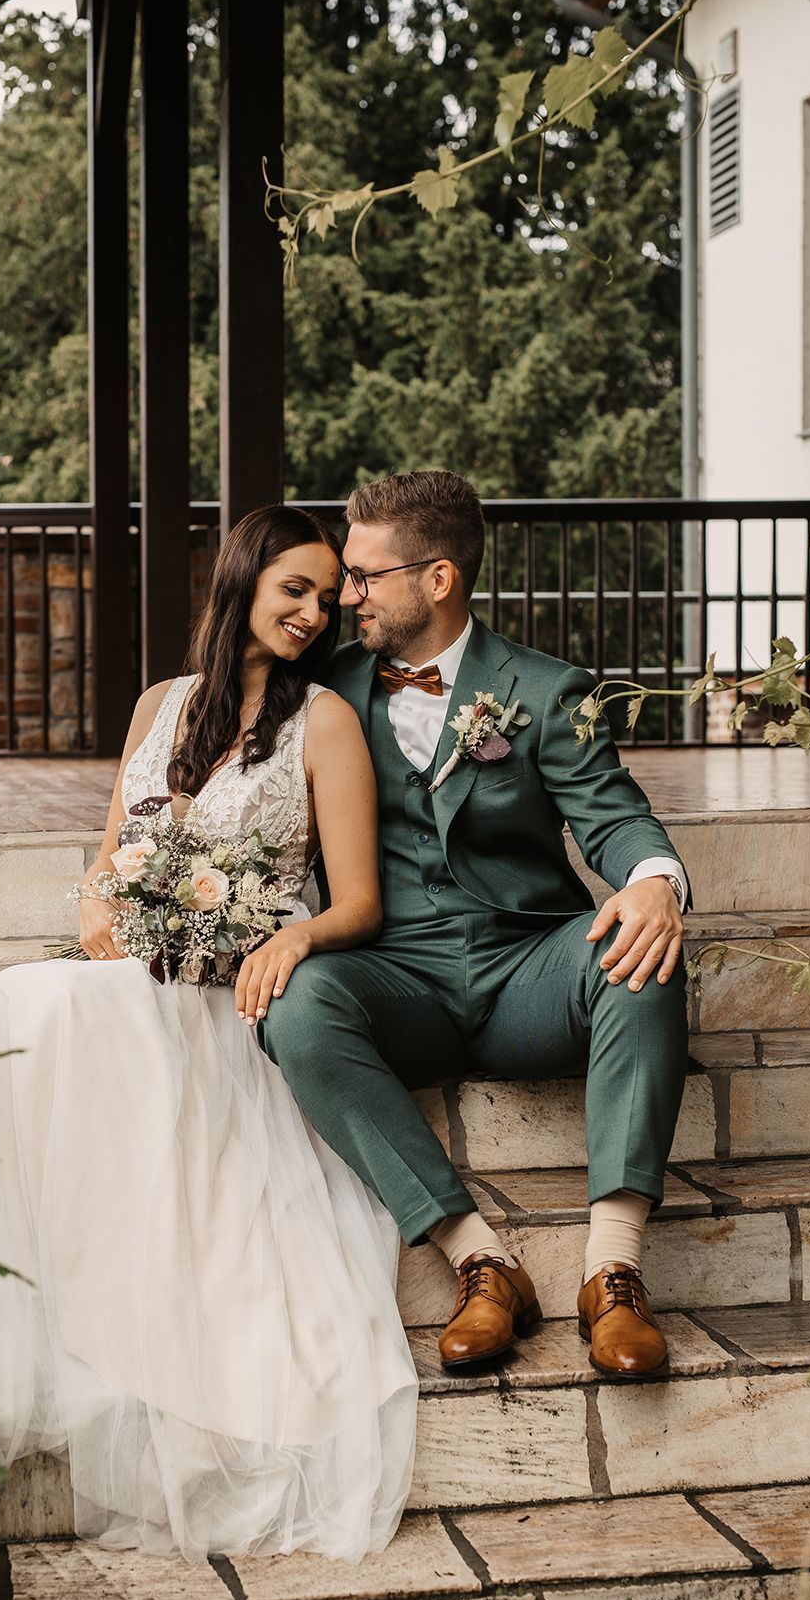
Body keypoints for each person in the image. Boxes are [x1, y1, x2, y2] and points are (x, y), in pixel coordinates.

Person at [0, 505, 418, 1564]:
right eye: (291, 588)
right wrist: (99, 911)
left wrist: (287, 939)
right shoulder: (158, 707)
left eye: (323, 594)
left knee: (34, 1007)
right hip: (133, 971)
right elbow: (111, 857)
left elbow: (358, 903)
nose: (311, 612)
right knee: (22, 999)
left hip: (226, 993)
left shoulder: (326, 724)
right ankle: (72, 1290)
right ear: (242, 581)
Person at [259, 470, 691, 1381]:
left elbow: (610, 818)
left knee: (642, 951)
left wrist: (653, 879)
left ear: (439, 578)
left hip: (527, 969)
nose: (347, 594)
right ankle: (480, 1262)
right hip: (395, 978)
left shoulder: (545, 688)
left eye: (368, 576)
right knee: (295, 1003)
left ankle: (611, 1272)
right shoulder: (322, 689)